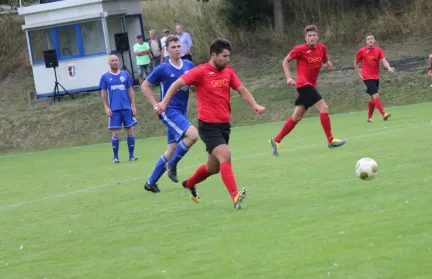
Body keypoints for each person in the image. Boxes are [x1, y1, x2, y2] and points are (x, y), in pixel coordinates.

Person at [156, 39, 265, 209]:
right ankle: (235, 197)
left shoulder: (228, 71)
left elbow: (242, 90)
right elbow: (177, 84)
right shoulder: (200, 72)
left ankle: (190, 183)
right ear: (214, 55)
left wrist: (255, 105)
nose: (228, 59)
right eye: (224, 56)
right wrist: (164, 103)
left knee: (213, 168)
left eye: (229, 56)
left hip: (224, 126)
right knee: (225, 155)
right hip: (208, 126)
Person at [269, 25, 347, 157]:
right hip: (303, 84)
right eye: (309, 36)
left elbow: (325, 60)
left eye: (314, 35)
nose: (312, 37)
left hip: (311, 86)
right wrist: (289, 78)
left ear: (317, 37)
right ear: (305, 38)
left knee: (297, 117)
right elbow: (285, 61)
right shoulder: (300, 49)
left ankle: (276, 141)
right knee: (324, 107)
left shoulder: (322, 48)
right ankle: (331, 140)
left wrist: (328, 64)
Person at [141, 36, 197, 193]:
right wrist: (155, 104)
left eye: (179, 46)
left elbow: (193, 86)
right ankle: (172, 165)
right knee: (193, 135)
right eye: (173, 47)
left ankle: (150, 182)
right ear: (167, 50)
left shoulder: (188, 65)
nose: (177, 49)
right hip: (168, 111)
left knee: (171, 149)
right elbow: (145, 86)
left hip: (181, 111)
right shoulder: (163, 68)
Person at [99, 55, 137, 163]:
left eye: (116, 60)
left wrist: (133, 106)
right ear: (109, 63)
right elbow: (103, 93)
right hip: (114, 109)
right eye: (112, 61)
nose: (115, 62)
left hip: (126, 108)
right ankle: (116, 157)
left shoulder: (125, 75)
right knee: (115, 132)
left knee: (130, 130)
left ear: (118, 62)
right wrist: (106, 107)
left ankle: (131, 155)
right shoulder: (105, 77)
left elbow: (130, 91)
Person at [353, 34, 394, 123]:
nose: (370, 40)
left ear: (374, 40)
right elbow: (355, 62)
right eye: (369, 39)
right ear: (366, 41)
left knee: (372, 98)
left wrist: (389, 68)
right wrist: (359, 73)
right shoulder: (362, 51)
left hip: (376, 76)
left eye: (372, 39)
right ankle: (384, 114)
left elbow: (384, 60)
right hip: (367, 77)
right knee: (376, 95)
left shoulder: (378, 50)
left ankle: (369, 118)